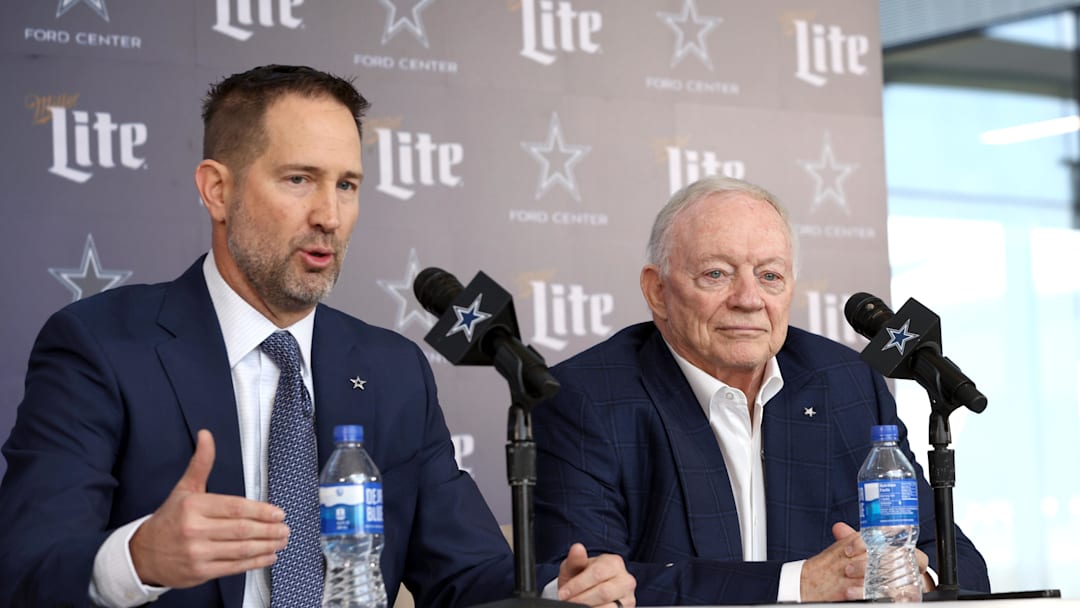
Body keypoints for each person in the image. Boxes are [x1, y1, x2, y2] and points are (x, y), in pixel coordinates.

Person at [0, 65, 636, 608]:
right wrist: (138, 559)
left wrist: (557, 594)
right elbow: (27, 569)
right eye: (299, 179)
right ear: (216, 190)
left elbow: (466, 574)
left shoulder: (392, 370)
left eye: (347, 186)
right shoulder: (101, 346)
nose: (329, 216)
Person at [531, 176, 990, 605]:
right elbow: (588, 588)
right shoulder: (587, 396)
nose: (749, 299)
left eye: (769, 275)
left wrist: (909, 576)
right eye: (716, 274)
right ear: (657, 291)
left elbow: (959, 564)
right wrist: (798, 584)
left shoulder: (845, 383)